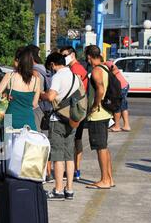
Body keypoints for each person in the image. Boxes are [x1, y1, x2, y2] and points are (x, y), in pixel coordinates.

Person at [41, 52, 80, 201]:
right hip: (71, 119)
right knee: (69, 156)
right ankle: (69, 189)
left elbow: (51, 97)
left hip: (57, 120)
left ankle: (58, 189)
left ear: (52, 64)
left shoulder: (58, 76)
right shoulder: (74, 76)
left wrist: (41, 94)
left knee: (58, 156)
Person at [84, 45, 115, 189]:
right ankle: (109, 178)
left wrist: (94, 106)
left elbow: (100, 90)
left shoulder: (96, 70)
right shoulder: (105, 68)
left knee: (100, 148)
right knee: (104, 147)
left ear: (89, 56)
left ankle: (104, 180)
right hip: (106, 114)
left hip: (98, 114)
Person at [0, 47, 41, 130]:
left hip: (10, 119)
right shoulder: (36, 80)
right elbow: (34, 104)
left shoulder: (10, 76)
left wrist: (6, 95)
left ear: (18, 61)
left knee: (9, 142)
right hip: (28, 120)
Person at [26, 44, 54, 182]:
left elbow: (35, 93)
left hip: (38, 109)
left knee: (36, 139)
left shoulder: (35, 72)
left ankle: (41, 172)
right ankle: (48, 172)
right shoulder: (44, 69)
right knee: (44, 139)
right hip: (47, 109)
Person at [60, 46, 89, 181]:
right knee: (76, 139)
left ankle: (75, 169)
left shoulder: (76, 69)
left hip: (76, 109)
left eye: (65, 55)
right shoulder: (75, 68)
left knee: (73, 140)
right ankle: (75, 169)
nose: (63, 57)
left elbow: (74, 90)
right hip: (78, 108)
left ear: (72, 55)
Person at [104, 59, 131, 132]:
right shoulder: (105, 64)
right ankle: (126, 125)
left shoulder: (107, 63)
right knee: (123, 106)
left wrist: (110, 75)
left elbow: (115, 69)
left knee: (117, 106)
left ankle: (117, 126)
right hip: (123, 85)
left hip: (120, 87)